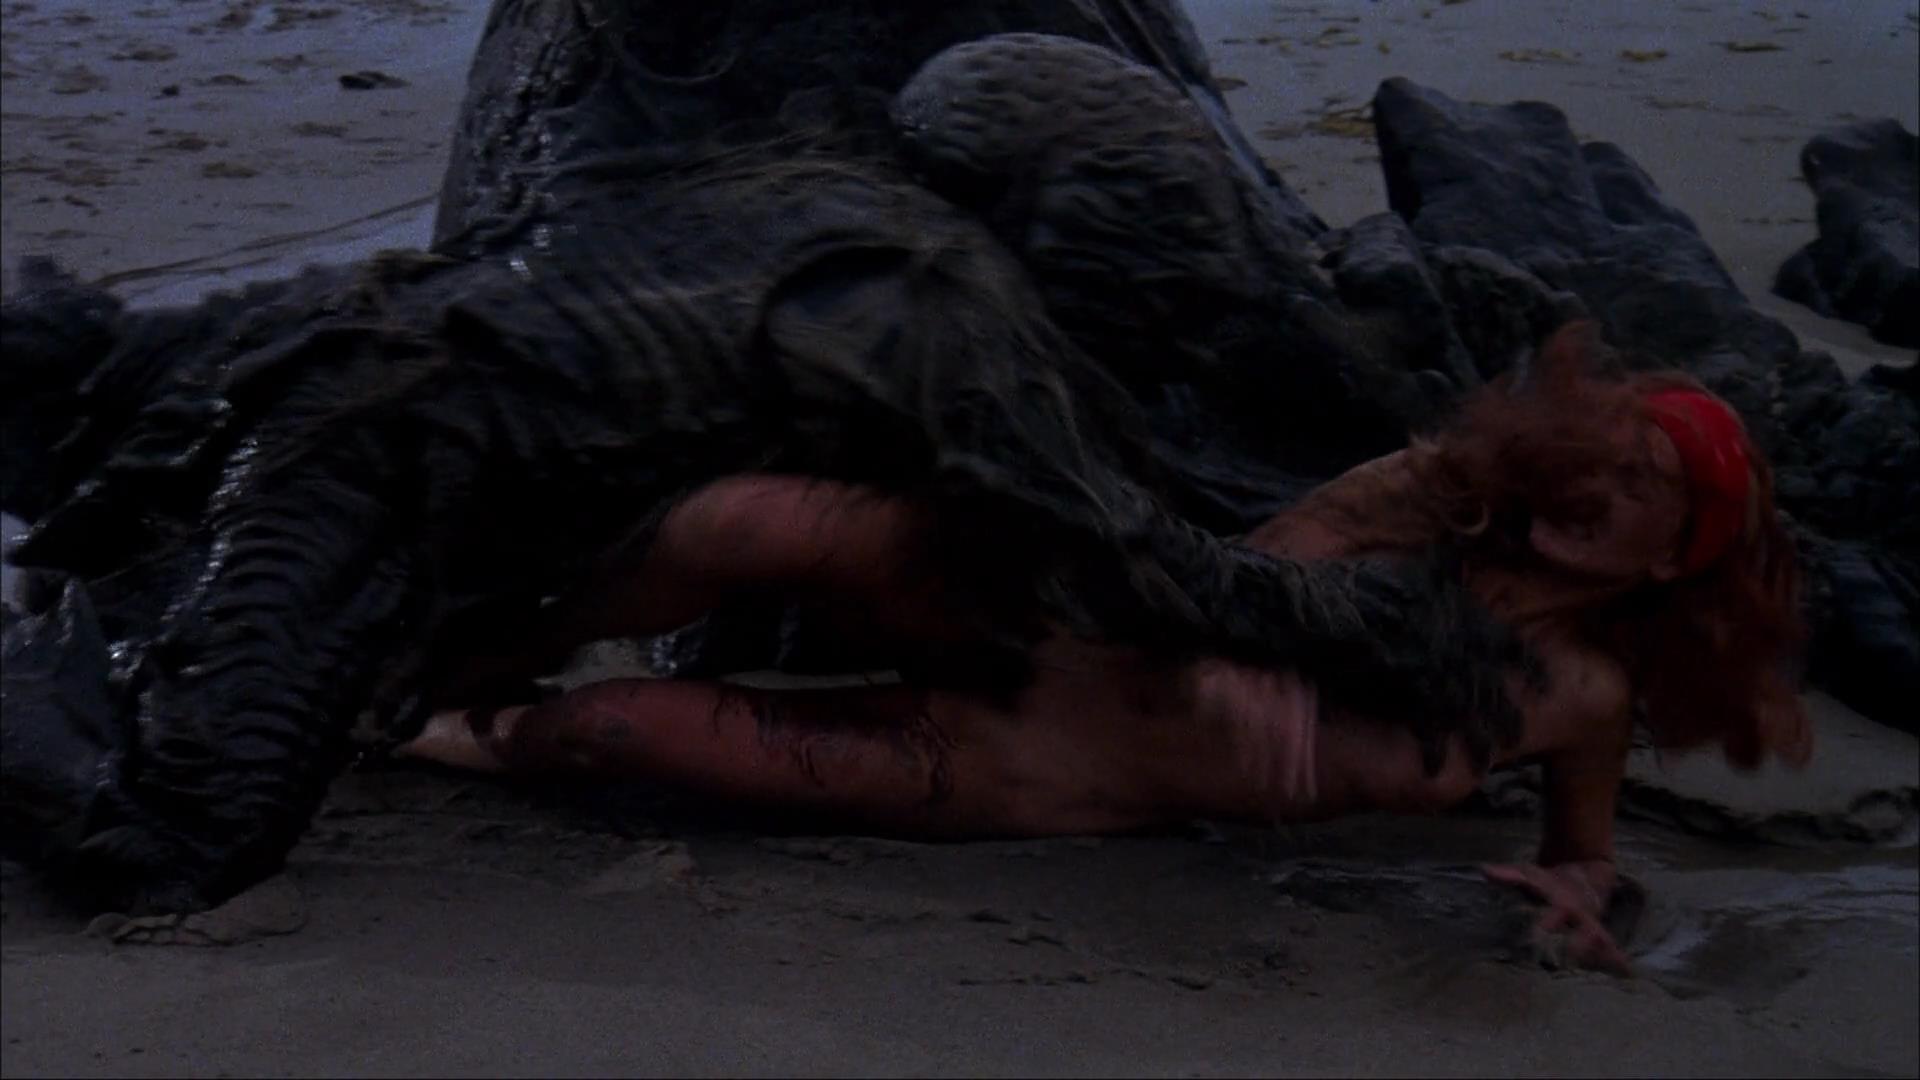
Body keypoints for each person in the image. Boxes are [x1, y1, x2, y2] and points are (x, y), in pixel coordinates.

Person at [397, 323, 1809, 974]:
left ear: (1673, 561)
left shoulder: (1581, 696)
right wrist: (1257, 661)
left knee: (611, 732)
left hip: (1038, 769)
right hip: (1062, 611)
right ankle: (474, 649)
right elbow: (1260, 575)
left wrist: (1581, 896)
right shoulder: (1431, 494)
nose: (1599, 489)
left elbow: (1590, 855)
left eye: (1646, 493)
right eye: (1606, 453)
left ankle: (437, 734)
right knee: (745, 519)